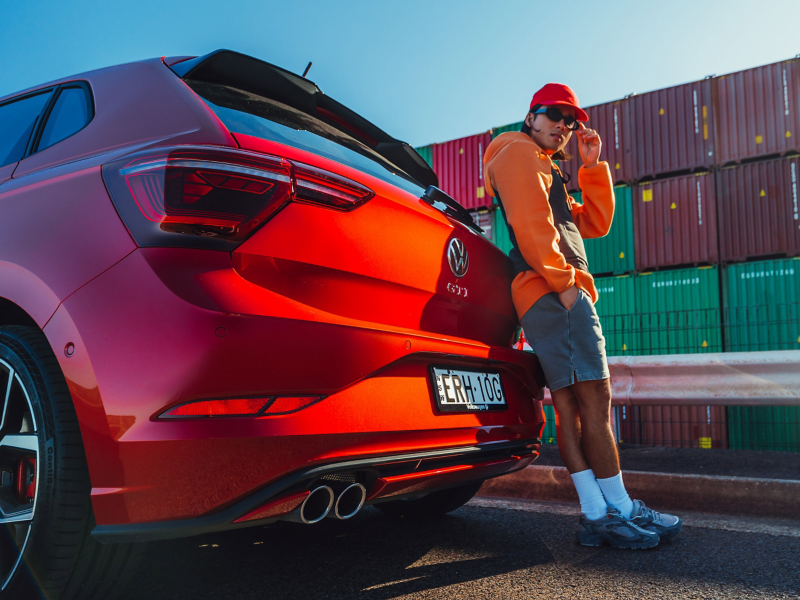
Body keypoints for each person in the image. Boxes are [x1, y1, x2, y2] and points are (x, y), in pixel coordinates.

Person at [483, 83, 682, 549]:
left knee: (574, 406)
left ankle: (599, 513)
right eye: (555, 116)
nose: (565, 128)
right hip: (554, 292)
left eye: (572, 122)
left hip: (549, 292)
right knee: (597, 400)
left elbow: (592, 223)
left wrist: (591, 169)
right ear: (531, 116)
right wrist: (567, 287)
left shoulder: (543, 166)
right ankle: (621, 509)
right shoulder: (517, 152)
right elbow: (533, 228)